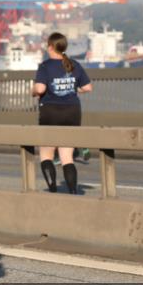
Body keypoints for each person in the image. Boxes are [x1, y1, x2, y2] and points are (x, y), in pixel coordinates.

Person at [32, 32, 93, 194]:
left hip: (51, 112)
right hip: (72, 111)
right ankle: (73, 191)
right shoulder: (74, 65)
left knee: (46, 153)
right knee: (67, 156)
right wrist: (72, 89)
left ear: (50, 47)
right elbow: (88, 88)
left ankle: (52, 189)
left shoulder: (45, 66)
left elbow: (40, 89)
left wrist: (33, 91)